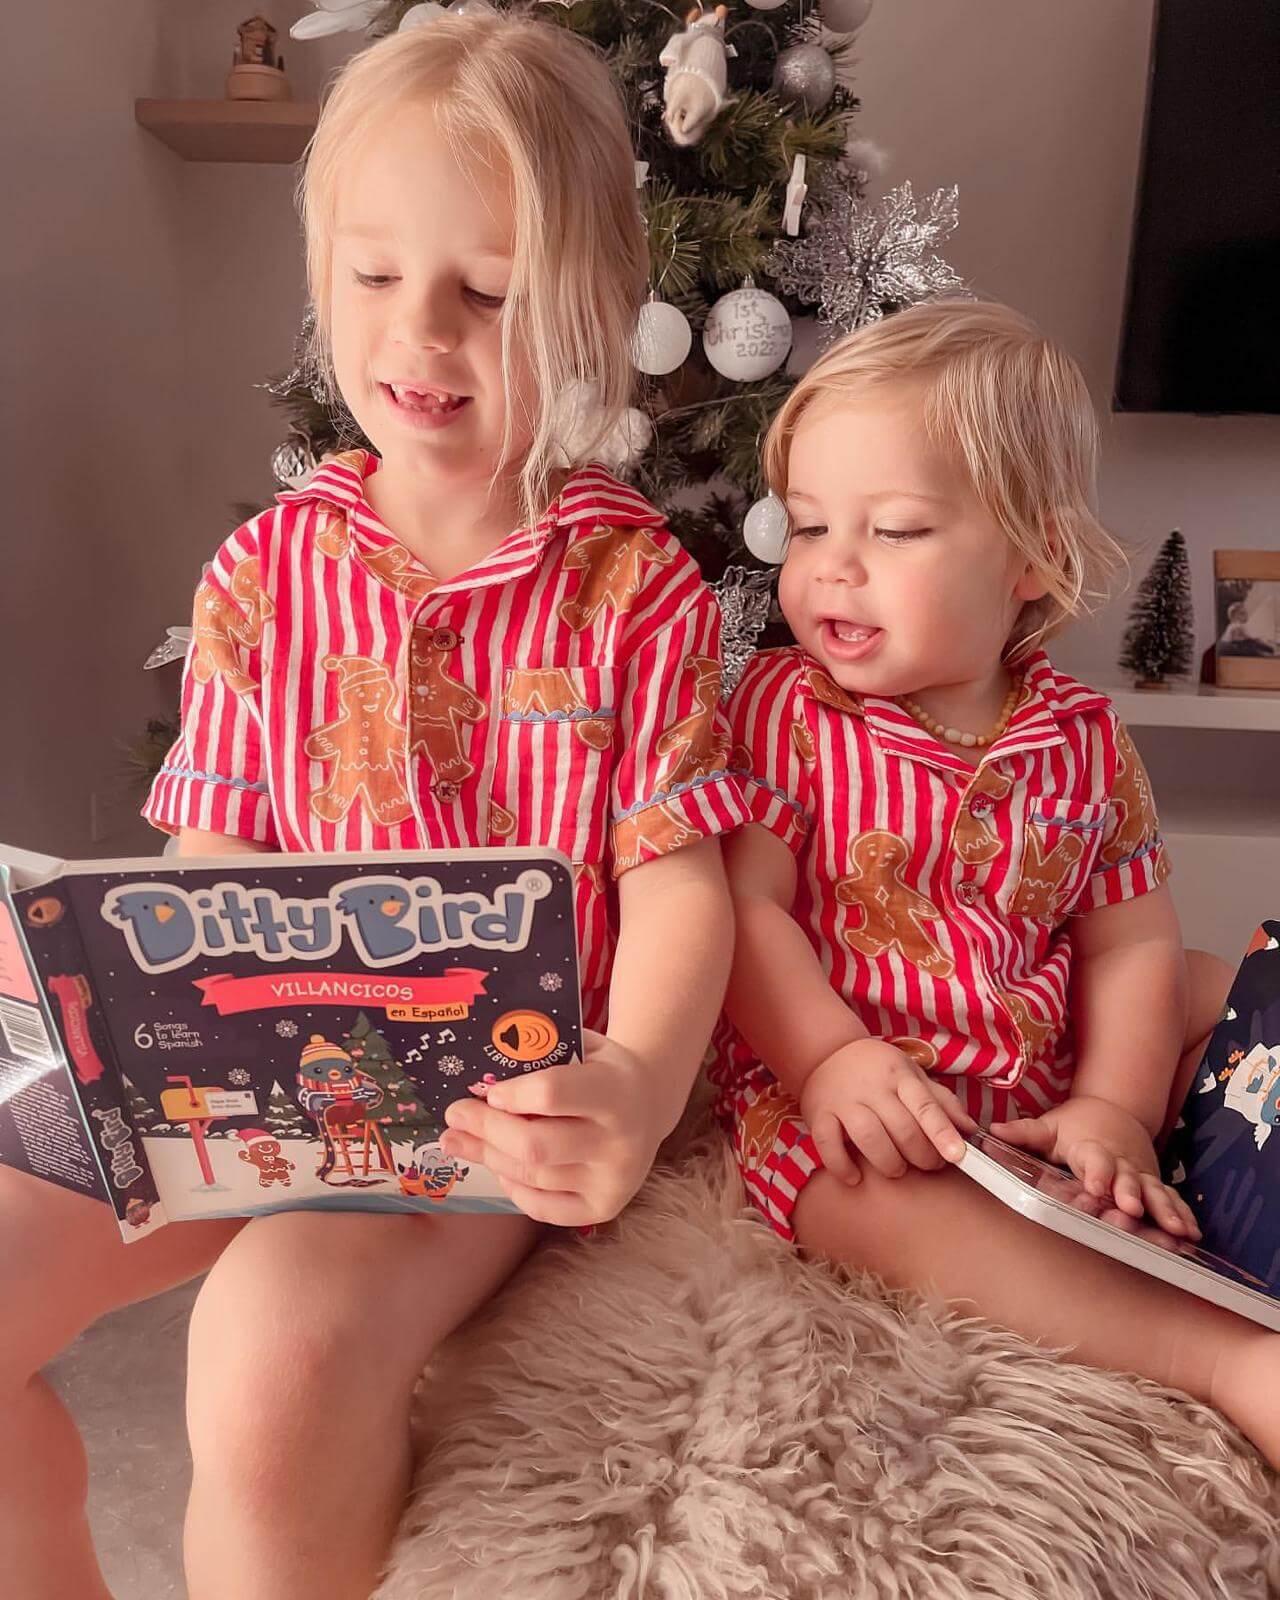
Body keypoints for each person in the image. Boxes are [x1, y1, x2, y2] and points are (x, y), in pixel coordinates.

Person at [0, 17, 747, 1597]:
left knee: (273, 1348)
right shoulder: (263, 581)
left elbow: (682, 881)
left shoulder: (637, 591)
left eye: (487, 292)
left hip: (476, 1116)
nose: (424, 334)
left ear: (597, 311)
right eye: (372, 274)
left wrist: (634, 1088)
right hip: (243, 1088)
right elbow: (212, 860)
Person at [715, 298, 1280, 1468]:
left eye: (897, 531)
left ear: (1030, 555)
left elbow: (1124, 938)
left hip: (1038, 1065)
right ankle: (1220, 1356)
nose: (834, 569)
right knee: (883, 1194)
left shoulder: (1077, 732)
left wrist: (1114, 1109)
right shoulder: (787, 713)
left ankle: (1199, 1176)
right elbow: (744, 907)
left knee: (1205, 980)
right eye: (809, 527)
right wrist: (826, 1058)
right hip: (866, 1103)